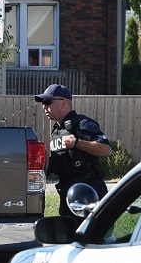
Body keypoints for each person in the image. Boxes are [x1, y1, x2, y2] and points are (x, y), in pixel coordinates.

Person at [36, 84, 112, 218]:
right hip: (67, 192)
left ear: (63, 103)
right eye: (43, 103)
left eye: (47, 102)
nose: (44, 107)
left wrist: (77, 143)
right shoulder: (57, 130)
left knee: (95, 236)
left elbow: (106, 149)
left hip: (89, 192)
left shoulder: (83, 124)